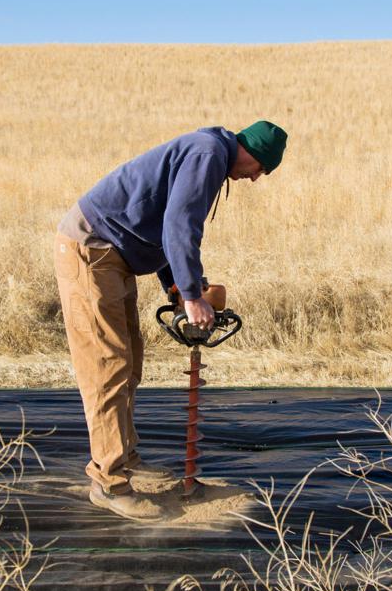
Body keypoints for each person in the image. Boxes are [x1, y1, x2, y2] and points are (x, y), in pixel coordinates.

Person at [53, 120, 287, 520]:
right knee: (108, 367)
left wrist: (177, 289)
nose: (255, 179)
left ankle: (125, 457)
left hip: (113, 255)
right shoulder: (208, 154)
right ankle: (109, 482)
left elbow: (164, 227)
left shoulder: (207, 153)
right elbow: (180, 226)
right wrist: (193, 296)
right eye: (261, 169)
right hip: (91, 250)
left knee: (129, 363)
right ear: (253, 154)